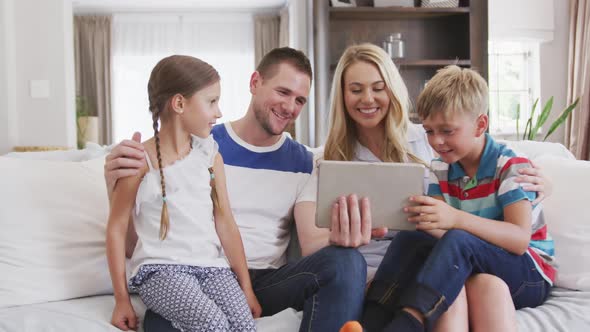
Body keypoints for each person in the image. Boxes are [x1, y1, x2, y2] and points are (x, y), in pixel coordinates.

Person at [104, 47, 374, 332]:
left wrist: (349, 232)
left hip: (265, 281)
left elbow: (308, 243)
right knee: (175, 321)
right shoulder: (205, 142)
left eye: (300, 100)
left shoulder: (305, 162)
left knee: (347, 262)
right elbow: (139, 240)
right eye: (283, 92)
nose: (290, 107)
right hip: (187, 275)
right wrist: (115, 187)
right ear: (255, 82)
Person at [318, 43, 524, 332]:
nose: (368, 98)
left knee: (443, 263)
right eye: (355, 90)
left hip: (440, 259)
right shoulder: (332, 159)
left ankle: (401, 323)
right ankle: (376, 321)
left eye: (378, 87)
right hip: (385, 265)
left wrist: (540, 183)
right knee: (417, 244)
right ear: (342, 95)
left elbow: (497, 165)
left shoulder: (433, 142)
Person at [355, 65, 556, 332]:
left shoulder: (510, 166)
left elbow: (519, 240)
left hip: (528, 272)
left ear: (480, 125)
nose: (437, 141)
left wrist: (455, 219)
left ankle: (409, 322)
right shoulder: (441, 167)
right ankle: (371, 320)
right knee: (413, 237)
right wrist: (422, 217)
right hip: (479, 265)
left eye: (447, 131)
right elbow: (436, 233)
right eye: (429, 131)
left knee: (459, 238)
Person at [106, 55, 260, 332]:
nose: (219, 112)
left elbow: (225, 222)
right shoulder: (140, 160)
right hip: (161, 270)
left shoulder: (211, 156)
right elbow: (116, 228)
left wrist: (246, 288)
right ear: (179, 103)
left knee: (244, 327)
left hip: (212, 268)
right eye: (211, 101)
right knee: (213, 324)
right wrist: (121, 300)